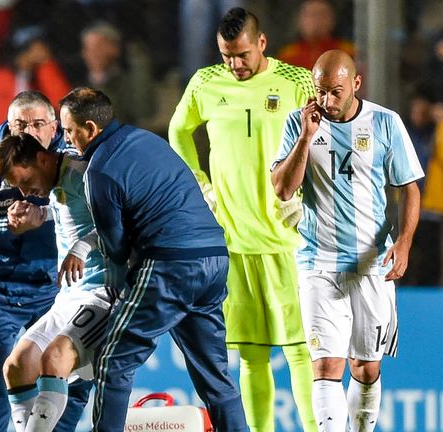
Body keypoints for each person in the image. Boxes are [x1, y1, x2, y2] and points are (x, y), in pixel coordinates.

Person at [58, 86, 247, 432]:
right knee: (216, 379)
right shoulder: (148, 140)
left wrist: (101, 259)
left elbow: (115, 249)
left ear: (90, 129)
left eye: (69, 130)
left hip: (170, 265)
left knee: (113, 361)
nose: (66, 137)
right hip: (215, 259)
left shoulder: (98, 172)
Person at [168, 7, 316, 431]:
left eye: (243, 55)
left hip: (290, 240)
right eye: (226, 55)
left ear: (262, 43)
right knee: (251, 354)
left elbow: (327, 136)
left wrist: (307, 195)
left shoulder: (296, 81)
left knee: (301, 350)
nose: (234, 64)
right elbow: (178, 131)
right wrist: (200, 184)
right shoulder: (205, 83)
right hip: (233, 241)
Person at [271, 50, 424, 432]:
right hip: (316, 261)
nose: (326, 101)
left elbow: (409, 188)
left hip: (370, 264)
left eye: (335, 91)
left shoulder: (385, 123)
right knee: (325, 366)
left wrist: (403, 242)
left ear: (355, 84)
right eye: (320, 91)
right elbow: (283, 190)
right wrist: (306, 138)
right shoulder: (298, 123)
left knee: (366, 367)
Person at [0, 90, 91, 432]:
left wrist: (44, 217)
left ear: (54, 127)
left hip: (52, 287)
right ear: (7, 125)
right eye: (19, 124)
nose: (28, 132)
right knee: (0, 358)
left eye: (38, 124)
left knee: (78, 368)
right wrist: (9, 226)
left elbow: (93, 215)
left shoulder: (69, 162)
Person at [0, 132, 121, 431]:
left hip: (103, 292)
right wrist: (39, 214)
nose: (24, 193)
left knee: (55, 357)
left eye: (24, 182)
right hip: (69, 296)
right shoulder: (57, 180)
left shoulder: (86, 174)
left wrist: (82, 247)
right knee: (16, 366)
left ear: (41, 158)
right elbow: (72, 213)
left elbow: (122, 224)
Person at [277, 0, 355, 70]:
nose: (316, 20)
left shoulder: (347, 52)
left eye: (322, 14)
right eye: (311, 14)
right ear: (300, 20)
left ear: (333, 19)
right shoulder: (287, 55)